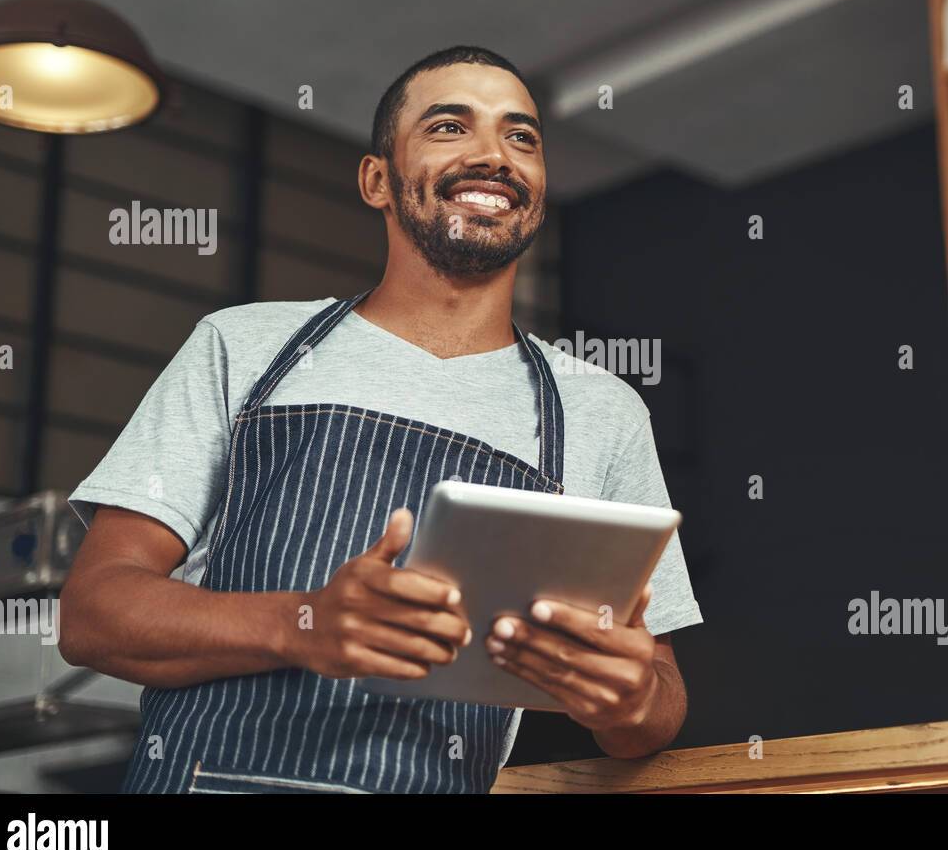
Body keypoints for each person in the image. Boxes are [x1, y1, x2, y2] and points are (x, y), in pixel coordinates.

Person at [60, 45, 703, 794]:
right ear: (377, 181)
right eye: (449, 127)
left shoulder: (602, 412)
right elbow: (93, 613)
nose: (493, 155)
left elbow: (659, 702)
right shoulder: (243, 347)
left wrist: (630, 699)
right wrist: (302, 623)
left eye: (521, 136)